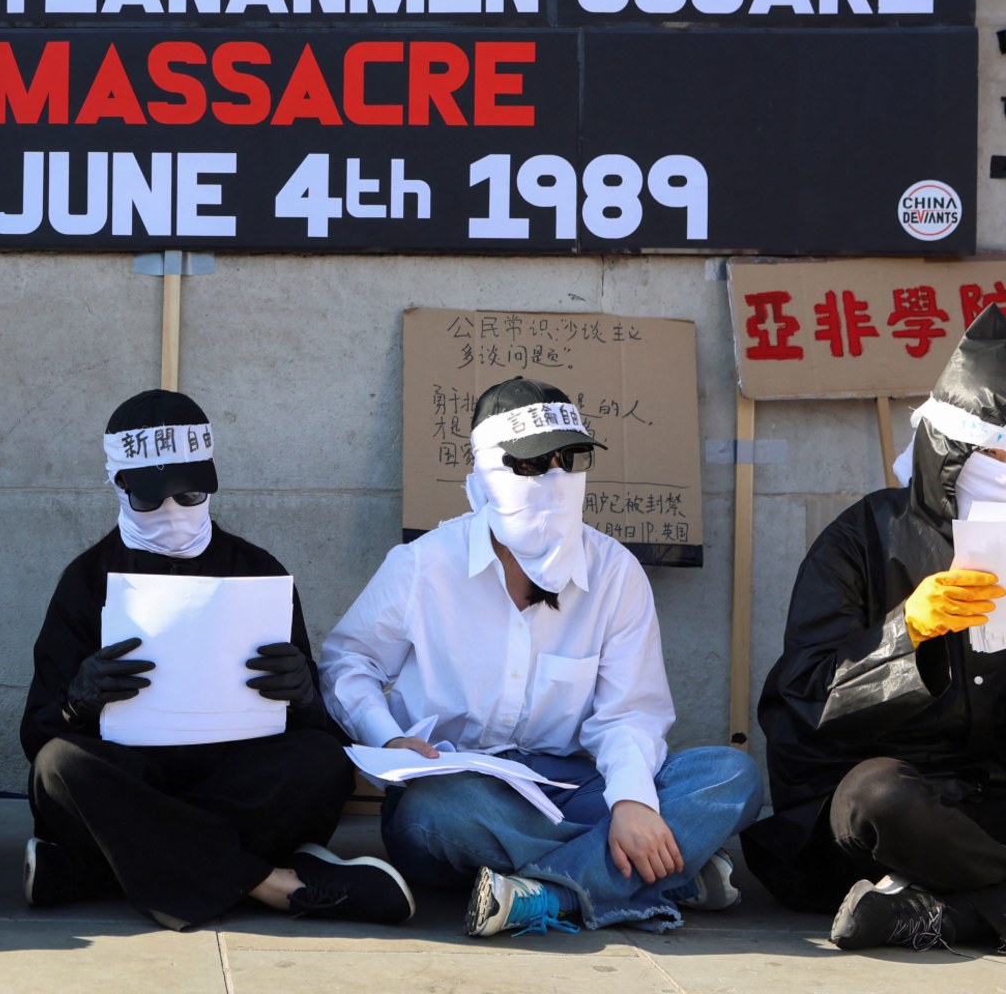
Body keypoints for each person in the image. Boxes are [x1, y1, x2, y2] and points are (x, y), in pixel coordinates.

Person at [322, 376, 763, 938]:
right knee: (430, 815)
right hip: (463, 785)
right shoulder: (424, 565)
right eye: (531, 464)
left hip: (577, 791)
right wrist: (388, 737)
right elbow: (347, 663)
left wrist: (630, 802)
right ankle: (658, 873)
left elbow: (630, 714)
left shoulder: (614, 571)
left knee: (730, 775)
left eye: (569, 459)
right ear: (487, 472)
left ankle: (550, 894)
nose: (554, 479)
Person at [20, 388, 414, 931]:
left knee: (322, 762)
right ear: (120, 484)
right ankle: (277, 884)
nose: (174, 513)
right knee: (60, 768)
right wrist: (75, 705)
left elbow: (310, 724)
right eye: (153, 498)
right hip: (135, 775)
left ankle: (100, 867)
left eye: (190, 496)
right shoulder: (85, 581)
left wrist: (303, 693)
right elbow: (39, 734)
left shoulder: (258, 569)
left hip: (233, 775)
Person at [746, 305, 1006, 950]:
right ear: (952, 450)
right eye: (996, 451)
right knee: (877, 799)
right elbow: (802, 694)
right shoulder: (863, 538)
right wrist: (906, 632)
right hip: (893, 800)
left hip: (990, 796)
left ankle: (941, 914)